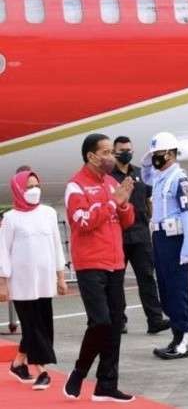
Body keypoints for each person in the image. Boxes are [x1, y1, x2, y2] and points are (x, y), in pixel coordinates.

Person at [63, 133, 136, 403]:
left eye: (111, 152)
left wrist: (125, 203)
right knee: (101, 321)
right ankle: (79, 372)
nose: (111, 157)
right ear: (91, 156)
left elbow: (127, 221)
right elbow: (82, 221)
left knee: (115, 324)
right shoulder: (76, 186)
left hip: (115, 263)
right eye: (105, 152)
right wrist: (111, 202)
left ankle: (107, 384)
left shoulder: (110, 182)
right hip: (90, 264)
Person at [0, 170, 68, 390]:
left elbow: (57, 245)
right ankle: (41, 370)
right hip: (21, 284)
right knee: (32, 327)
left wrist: (61, 276)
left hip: (45, 281)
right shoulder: (10, 218)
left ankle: (18, 363)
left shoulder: (48, 213)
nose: (34, 190)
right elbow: (3, 252)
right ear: (19, 189)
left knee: (43, 326)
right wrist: (2, 282)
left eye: (36, 185)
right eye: (28, 186)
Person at [142, 132, 188, 360]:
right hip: (160, 238)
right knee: (164, 288)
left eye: (159, 154)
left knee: (178, 290)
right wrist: (147, 159)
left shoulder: (179, 179)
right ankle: (175, 335)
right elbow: (145, 176)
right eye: (154, 154)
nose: (156, 158)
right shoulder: (159, 176)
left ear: (171, 154)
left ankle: (182, 341)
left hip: (176, 239)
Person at [111, 136, 169, 335]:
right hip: (118, 236)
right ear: (114, 151)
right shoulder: (108, 177)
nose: (126, 152)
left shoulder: (141, 174)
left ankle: (155, 319)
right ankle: (119, 321)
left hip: (141, 235)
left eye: (129, 149)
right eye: (121, 150)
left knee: (146, 278)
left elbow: (149, 199)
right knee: (116, 282)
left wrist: (151, 216)